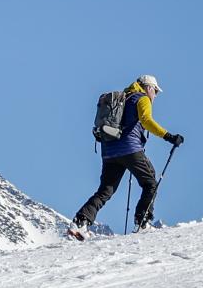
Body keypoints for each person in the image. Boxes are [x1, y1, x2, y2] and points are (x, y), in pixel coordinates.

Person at [69, 75, 184, 238]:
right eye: (156, 91)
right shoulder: (142, 98)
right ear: (148, 87)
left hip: (109, 151)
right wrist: (169, 136)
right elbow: (146, 121)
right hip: (130, 150)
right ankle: (142, 222)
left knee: (105, 190)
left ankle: (80, 222)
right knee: (150, 182)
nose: (156, 95)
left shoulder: (123, 98)